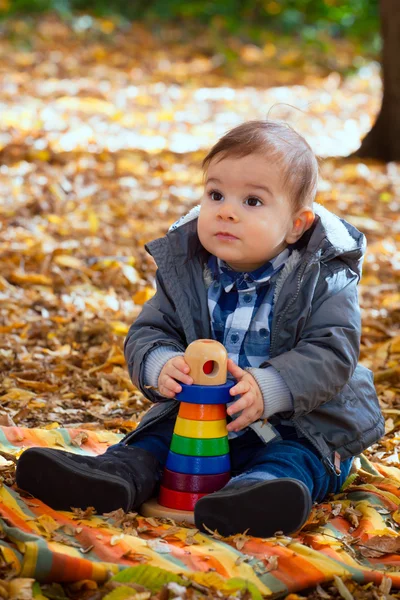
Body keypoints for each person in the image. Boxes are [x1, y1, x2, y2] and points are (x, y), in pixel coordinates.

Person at [16, 120, 384, 538]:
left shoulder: (323, 278)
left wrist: (272, 388)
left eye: (252, 201)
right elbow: (150, 330)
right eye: (215, 194)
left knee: (295, 458)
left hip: (302, 422)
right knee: (156, 443)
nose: (226, 210)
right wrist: (161, 363)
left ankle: (259, 497)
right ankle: (113, 477)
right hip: (198, 418)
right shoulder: (190, 270)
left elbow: (332, 353)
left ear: (297, 224)